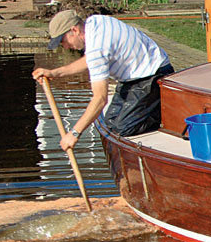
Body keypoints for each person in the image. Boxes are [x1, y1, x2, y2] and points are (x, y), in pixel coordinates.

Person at [32, 10, 173, 151]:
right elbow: (91, 60)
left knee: (122, 130)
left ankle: (161, 110)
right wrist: (55, 73)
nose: (66, 47)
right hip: (133, 77)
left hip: (154, 75)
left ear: (74, 30)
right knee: (110, 125)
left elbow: (100, 99)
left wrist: (74, 133)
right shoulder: (95, 22)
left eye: (64, 41)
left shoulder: (96, 48)